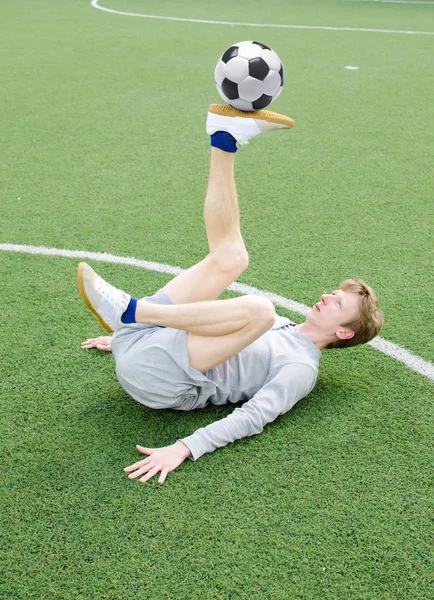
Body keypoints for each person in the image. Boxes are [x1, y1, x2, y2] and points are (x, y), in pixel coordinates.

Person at [78, 104, 383, 484]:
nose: (326, 296)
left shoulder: (301, 367)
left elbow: (254, 416)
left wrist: (185, 447)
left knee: (260, 310)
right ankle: (224, 139)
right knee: (232, 257)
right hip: (148, 346)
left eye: (338, 302)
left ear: (344, 332)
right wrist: (119, 343)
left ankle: (133, 312)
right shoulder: (287, 328)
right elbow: (204, 327)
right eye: (334, 292)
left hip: (160, 382)